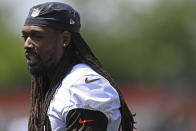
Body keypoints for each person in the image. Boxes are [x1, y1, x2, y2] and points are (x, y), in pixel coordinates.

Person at [21, 2, 135, 131]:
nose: (27, 44)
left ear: (65, 39)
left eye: (37, 36)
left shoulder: (83, 87)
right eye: (25, 37)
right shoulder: (57, 86)